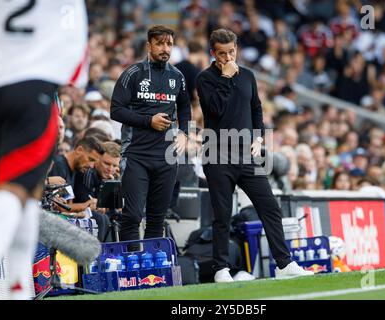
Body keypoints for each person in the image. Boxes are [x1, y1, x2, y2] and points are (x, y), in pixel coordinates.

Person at [195, 28, 313, 282]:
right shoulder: (205, 79)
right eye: (222, 53)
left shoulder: (248, 76)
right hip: (217, 155)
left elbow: (256, 109)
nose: (227, 57)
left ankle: (283, 264)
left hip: (246, 155)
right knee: (222, 215)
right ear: (213, 53)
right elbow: (215, 110)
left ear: (236, 49)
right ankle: (221, 269)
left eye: (231, 52)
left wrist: (259, 138)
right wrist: (225, 78)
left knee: (270, 206)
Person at [0, 0, 88, 299]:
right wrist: (73, 81)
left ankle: (18, 290)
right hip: (31, 89)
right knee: (16, 190)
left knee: (28, 198)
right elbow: (74, 35)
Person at [110, 25, 191, 250]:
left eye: (169, 44)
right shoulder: (133, 74)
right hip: (136, 155)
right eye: (160, 43)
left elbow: (185, 107)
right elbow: (116, 110)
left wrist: (184, 133)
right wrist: (148, 121)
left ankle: (153, 270)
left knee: (157, 218)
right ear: (149, 45)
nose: (165, 49)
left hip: (166, 157)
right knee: (133, 215)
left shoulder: (177, 76)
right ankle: (131, 266)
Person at [74, 141, 121, 242]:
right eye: (107, 163)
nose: (110, 169)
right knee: (102, 219)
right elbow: (86, 202)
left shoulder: (113, 178)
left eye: (114, 165)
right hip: (80, 218)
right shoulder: (87, 172)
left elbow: (114, 209)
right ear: (97, 159)